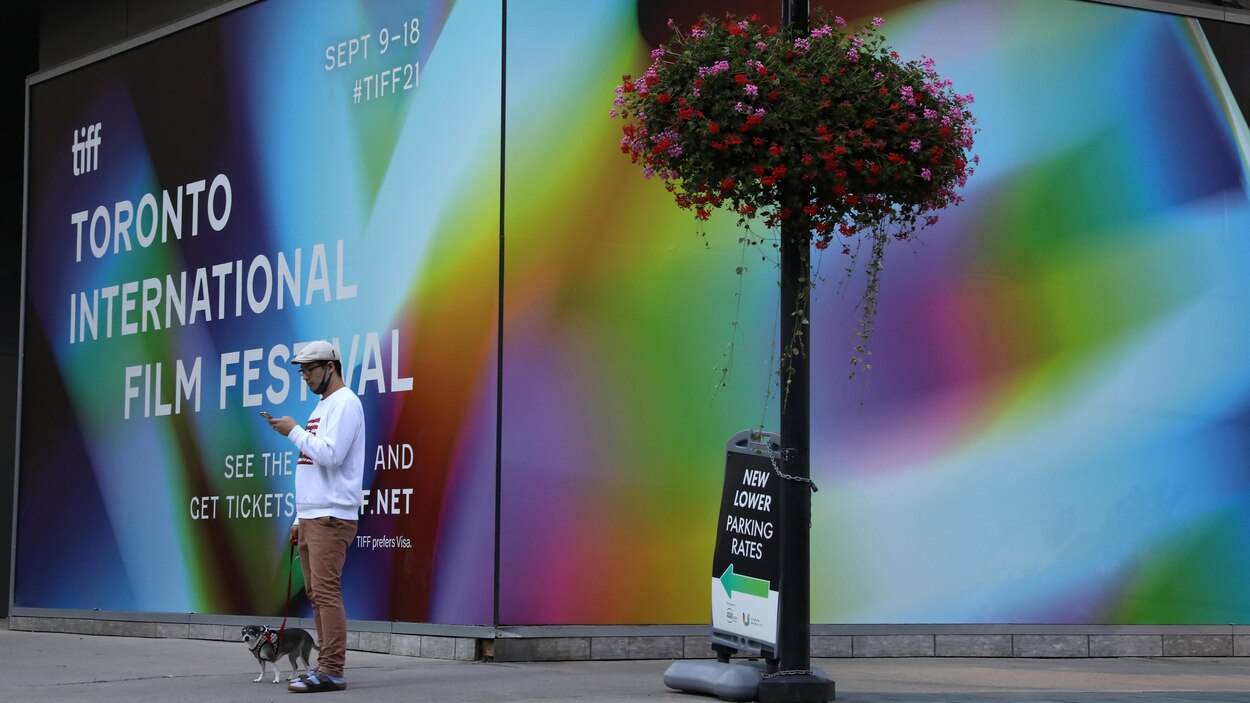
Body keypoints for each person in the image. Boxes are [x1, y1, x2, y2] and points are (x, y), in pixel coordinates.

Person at [266, 340, 365, 693]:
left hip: (332, 515)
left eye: (310, 369)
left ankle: (332, 669)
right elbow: (310, 467)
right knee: (316, 592)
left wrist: (292, 431)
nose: (305, 376)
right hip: (313, 515)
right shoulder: (323, 406)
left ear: (331, 367)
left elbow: (332, 455)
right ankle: (324, 666)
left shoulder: (346, 404)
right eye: (302, 370)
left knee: (325, 591)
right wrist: (298, 517)